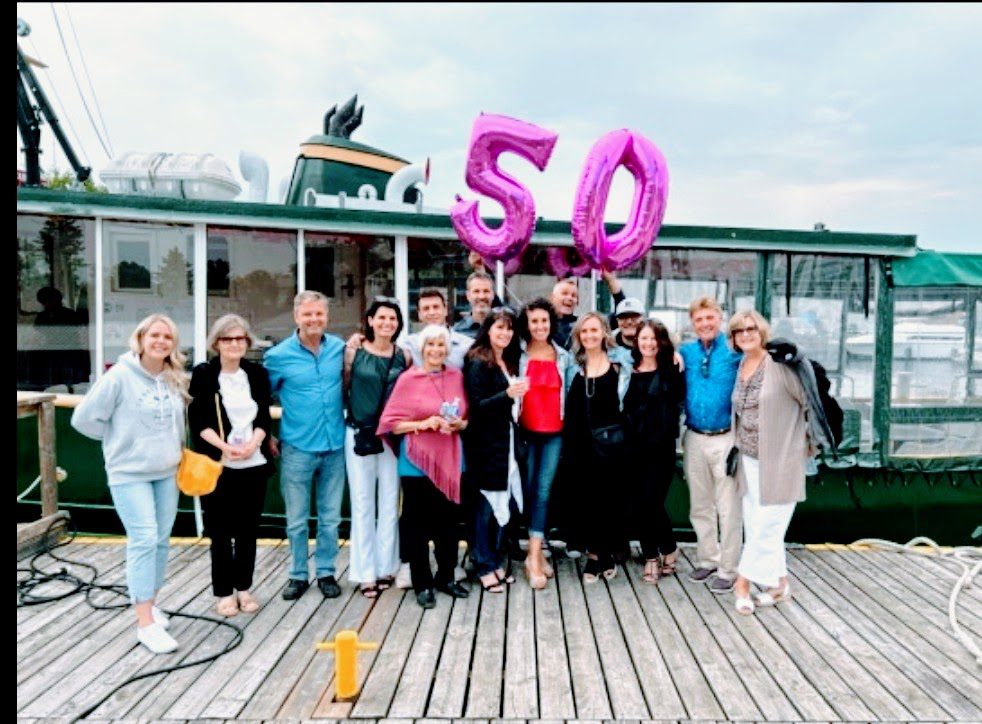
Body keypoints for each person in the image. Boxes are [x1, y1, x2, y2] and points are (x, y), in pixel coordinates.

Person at [70, 314, 188, 654]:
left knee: (161, 541)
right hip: (129, 473)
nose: (161, 342)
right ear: (141, 338)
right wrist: (117, 442)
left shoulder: (172, 377)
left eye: (168, 336)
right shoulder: (119, 376)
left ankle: (150, 604)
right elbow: (83, 419)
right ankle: (145, 624)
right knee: (144, 539)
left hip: (166, 472)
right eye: (155, 335)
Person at [376, 325, 471, 609]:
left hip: (451, 457)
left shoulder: (457, 376)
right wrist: (422, 424)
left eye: (441, 346)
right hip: (416, 461)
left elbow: (467, 417)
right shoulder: (408, 379)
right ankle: (423, 582)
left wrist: (459, 424)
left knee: (449, 522)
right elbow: (391, 422)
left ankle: (446, 577)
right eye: (431, 345)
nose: (436, 350)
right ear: (422, 348)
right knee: (417, 524)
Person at [188, 315, 274, 617]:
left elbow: (263, 415)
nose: (235, 344)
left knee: (248, 530)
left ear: (247, 343)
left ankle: (244, 588)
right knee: (221, 532)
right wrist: (226, 448)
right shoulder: (204, 374)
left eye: (240, 339)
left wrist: (253, 444)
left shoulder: (256, 374)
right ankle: (224, 592)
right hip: (219, 465)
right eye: (228, 339)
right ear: (216, 343)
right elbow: (199, 421)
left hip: (254, 463)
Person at [264, 291, 346, 601]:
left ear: (327, 316)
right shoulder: (278, 356)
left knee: (330, 518)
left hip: (334, 446)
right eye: (308, 314)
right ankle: (297, 575)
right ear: (297, 317)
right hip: (297, 447)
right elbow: (260, 398)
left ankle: (326, 572)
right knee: (296, 520)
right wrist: (267, 433)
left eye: (319, 314)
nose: (314, 320)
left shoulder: (340, 348)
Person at [728, 311, 810, 615]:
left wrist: (804, 444)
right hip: (748, 458)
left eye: (751, 329)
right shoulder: (740, 366)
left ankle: (743, 583)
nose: (746, 334)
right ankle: (779, 585)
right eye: (739, 331)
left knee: (768, 526)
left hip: (781, 460)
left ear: (762, 332)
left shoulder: (780, 366)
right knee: (757, 524)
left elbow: (809, 402)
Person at [343, 297, 411, 598]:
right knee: (362, 502)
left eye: (393, 319)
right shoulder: (353, 351)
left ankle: (386, 566)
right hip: (359, 434)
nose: (387, 324)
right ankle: (364, 571)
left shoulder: (404, 356)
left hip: (391, 437)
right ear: (370, 320)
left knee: (389, 501)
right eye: (381, 318)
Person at [678, 296, 743, 594]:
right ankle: (708, 558)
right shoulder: (686, 352)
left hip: (725, 436)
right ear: (693, 322)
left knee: (728, 506)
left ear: (720, 318)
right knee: (700, 504)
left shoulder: (734, 351)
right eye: (699, 319)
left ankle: (729, 568)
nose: (705, 324)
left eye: (710, 318)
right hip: (694, 435)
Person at [561, 312, 632, 582]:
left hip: (612, 445)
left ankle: (606, 552)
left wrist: (676, 356)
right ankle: (593, 555)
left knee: (610, 501)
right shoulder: (571, 365)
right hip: (579, 445)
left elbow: (653, 354)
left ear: (604, 332)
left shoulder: (620, 362)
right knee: (586, 501)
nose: (589, 335)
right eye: (584, 331)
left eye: (594, 330)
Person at [463, 307, 527, 594]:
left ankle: (495, 561)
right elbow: (476, 407)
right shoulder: (478, 361)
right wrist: (507, 395)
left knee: (507, 503)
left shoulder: (508, 361)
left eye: (509, 328)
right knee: (485, 507)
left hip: (507, 442)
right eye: (499, 327)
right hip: (486, 445)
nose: (505, 333)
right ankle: (484, 565)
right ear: (488, 329)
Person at [515, 298, 573, 588]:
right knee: (526, 490)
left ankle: (534, 556)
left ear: (551, 323)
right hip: (524, 432)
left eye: (544, 321)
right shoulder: (518, 355)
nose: (539, 326)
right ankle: (535, 551)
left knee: (543, 490)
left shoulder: (563, 356)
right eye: (534, 321)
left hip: (554, 433)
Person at [623, 320, 685, 584]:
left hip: (660, 448)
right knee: (639, 504)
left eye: (653, 339)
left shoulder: (672, 368)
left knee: (652, 503)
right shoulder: (628, 369)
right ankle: (654, 555)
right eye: (643, 338)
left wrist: (676, 355)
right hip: (633, 448)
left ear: (661, 342)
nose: (647, 343)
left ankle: (666, 549)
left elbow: (679, 403)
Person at [402, 288, 474, 368]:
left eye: (436, 307)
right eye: (426, 308)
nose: (431, 312)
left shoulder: (467, 345)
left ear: (445, 310)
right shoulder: (409, 345)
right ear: (419, 314)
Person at [452, 270, 496, 339]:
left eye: (486, 291)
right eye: (476, 291)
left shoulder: (504, 329)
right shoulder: (457, 331)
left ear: (493, 294)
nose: (482, 296)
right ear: (468, 295)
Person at [550, 278, 580, 350]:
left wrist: (611, 283)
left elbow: (611, 320)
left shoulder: (581, 323)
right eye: (564, 293)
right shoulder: (543, 323)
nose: (570, 298)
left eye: (573, 295)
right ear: (552, 298)